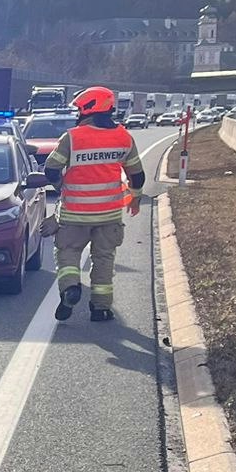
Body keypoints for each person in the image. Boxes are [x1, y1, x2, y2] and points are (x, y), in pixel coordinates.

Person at [44, 86, 146, 323]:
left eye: (79, 110)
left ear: (89, 109)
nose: (77, 114)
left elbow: (51, 169)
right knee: (104, 259)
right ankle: (100, 309)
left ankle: (70, 287)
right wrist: (136, 197)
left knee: (68, 253)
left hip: (75, 215)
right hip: (109, 215)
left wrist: (60, 185)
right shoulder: (123, 137)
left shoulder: (73, 137)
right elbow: (137, 175)